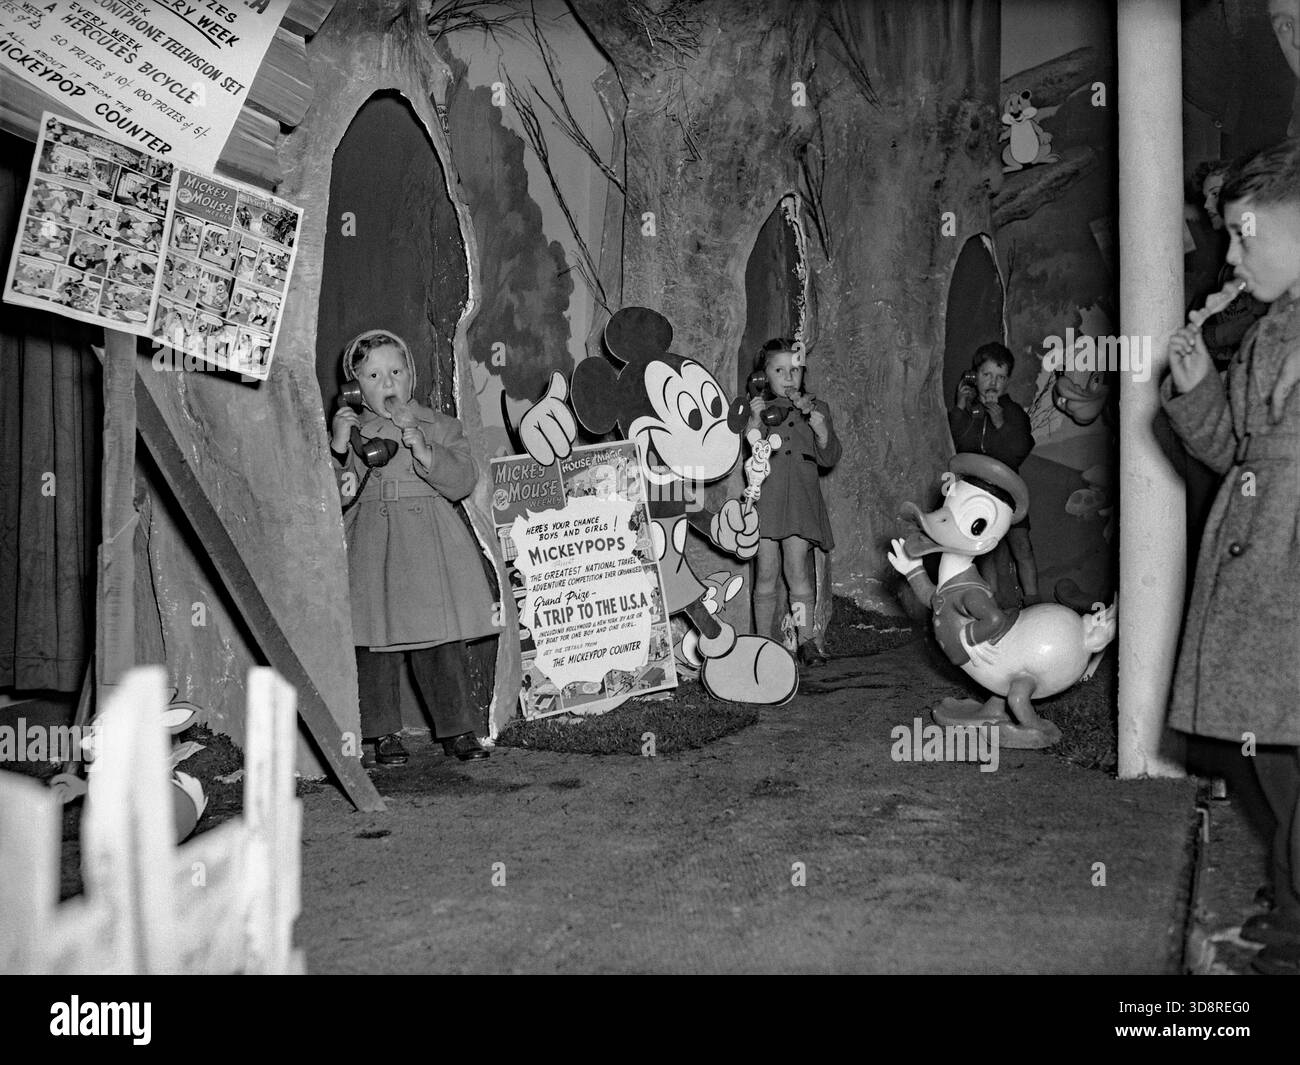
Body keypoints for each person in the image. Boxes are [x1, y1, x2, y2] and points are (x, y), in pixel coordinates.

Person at [1164, 137, 1300, 977]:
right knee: (1274, 755)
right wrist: (1196, 392)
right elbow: (1240, 456)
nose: (1231, 253)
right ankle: (1289, 904)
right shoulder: (1268, 330)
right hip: (1260, 572)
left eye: (1247, 233)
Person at [330, 329, 497, 765]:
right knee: (373, 645)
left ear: (412, 376)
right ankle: (381, 734)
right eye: (373, 374)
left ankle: (458, 730)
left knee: (440, 642)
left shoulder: (439, 425)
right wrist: (336, 446)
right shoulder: (351, 433)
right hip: (373, 542)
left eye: (396, 371)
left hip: (429, 544)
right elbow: (328, 499)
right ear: (354, 386)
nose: (387, 383)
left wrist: (424, 450)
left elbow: (463, 480)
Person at [746, 338, 841, 667]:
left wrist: (822, 431)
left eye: (795, 370)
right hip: (767, 500)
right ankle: (762, 642)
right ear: (764, 376)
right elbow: (748, 451)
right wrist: (753, 424)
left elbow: (829, 458)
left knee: (797, 570)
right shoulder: (755, 408)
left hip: (800, 500)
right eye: (779, 370)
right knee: (766, 572)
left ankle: (806, 639)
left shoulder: (817, 409)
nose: (788, 377)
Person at [947, 342, 1039, 606]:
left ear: (1007, 381)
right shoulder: (970, 412)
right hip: (976, 494)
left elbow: (1019, 450)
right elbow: (958, 444)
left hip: (1008, 496)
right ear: (974, 376)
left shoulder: (1013, 413)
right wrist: (960, 407)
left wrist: (1000, 423)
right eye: (987, 375)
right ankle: (992, 603)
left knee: (1021, 547)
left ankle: (1034, 602)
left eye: (1000, 377)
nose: (993, 382)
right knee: (985, 551)